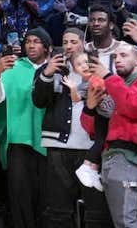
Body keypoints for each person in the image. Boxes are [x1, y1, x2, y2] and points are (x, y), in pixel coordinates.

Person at [31, 28, 110, 228]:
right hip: (57, 146)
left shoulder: (96, 69)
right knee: (58, 209)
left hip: (89, 147)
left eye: (73, 41)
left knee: (95, 209)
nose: (68, 46)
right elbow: (39, 101)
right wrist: (47, 73)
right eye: (65, 42)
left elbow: (109, 108)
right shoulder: (49, 69)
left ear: (83, 43)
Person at [82, 44, 137, 228]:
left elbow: (134, 107)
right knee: (121, 221)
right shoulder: (118, 87)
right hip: (113, 157)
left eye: (123, 55)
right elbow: (92, 130)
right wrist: (90, 106)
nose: (118, 59)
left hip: (130, 157)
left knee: (125, 222)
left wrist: (108, 77)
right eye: (115, 57)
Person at [0, 28, 49, 228]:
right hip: (19, 141)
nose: (31, 45)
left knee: (46, 197)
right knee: (20, 196)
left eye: (37, 41)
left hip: (50, 141)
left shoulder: (56, 67)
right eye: (28, 41)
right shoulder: (14, 67)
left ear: (47, 46)